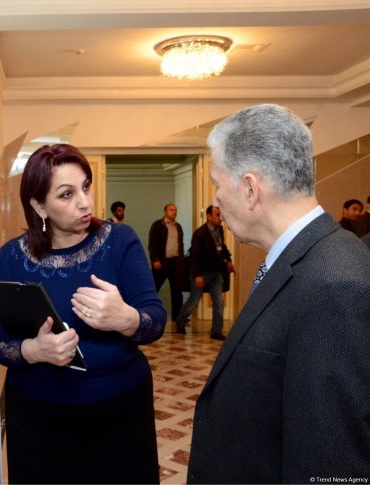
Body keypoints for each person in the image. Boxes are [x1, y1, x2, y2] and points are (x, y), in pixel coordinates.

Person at [187, 103, 370, 483]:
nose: (217, 199)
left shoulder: (334, 283)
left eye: (218, 184)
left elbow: (331, 463)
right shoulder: (307, 256)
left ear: (251, 188)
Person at [0, 144, 166, 484]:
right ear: (39, 205)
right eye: (66, 195)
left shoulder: (120, 240)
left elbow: (155, 321)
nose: (83, 202)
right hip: (39, 417)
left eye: (85, 186)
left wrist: (125, 318)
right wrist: (33, 351)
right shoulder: (12, 257)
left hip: (119, 412)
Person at [175, 205, 234, 339]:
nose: (220, 218)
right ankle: (180, 320)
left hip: (216, 273)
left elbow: (221, 246)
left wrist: (228, 260)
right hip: (201, 272)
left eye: (220, 214)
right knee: (194, 300)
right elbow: (194, 257)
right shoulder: (200, 234)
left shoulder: (219, 229)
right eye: (217, 215)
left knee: (218, 302)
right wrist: (198, 275)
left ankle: (216, 331)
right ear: (208, 216)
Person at [148, 203, 187, 325]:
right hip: (161, 262)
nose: (174, 212)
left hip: (175, 263)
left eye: (175, 210)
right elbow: (152, 244)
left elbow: (180, 244)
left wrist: (181, 260)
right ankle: (148, 314)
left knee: (177, 291)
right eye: (171, 210)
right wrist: (155, 260)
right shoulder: (158, 225)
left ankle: (178, 318)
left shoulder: (178, 227)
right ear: (165, 211)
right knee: (153, 288)